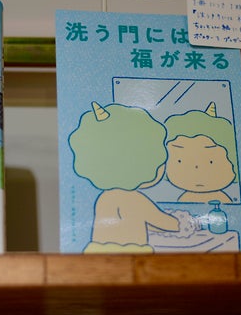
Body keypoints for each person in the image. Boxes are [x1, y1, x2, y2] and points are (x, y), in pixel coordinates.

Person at [69, 102, 179, 253]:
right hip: (130, 256)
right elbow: (166, 222)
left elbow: (140, 221)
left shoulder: (105, 197)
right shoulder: (133, 199)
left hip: (100, 253)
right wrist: (185, 222)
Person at [164, 102, 238, 204]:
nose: (196, 168)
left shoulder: (223, 201)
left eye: (211, 161)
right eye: (180, 161)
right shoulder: (183, 200)